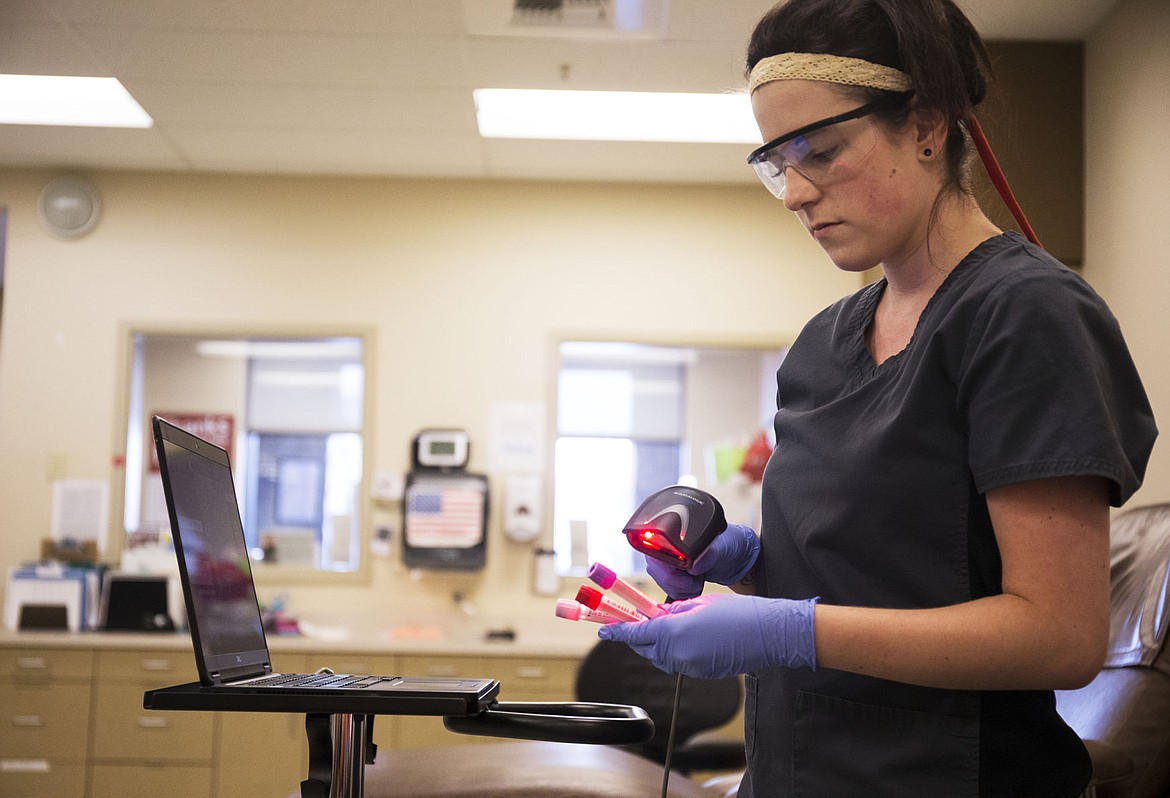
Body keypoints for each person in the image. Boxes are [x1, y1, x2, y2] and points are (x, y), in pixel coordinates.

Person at [598, 0, 1159, 795]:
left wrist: (790, 629)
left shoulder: (1023, 314)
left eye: (819, 152)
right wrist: (753, 569)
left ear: (927, 126)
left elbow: (1061, 638)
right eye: (774, 163)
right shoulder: (826, 341)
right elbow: (876, 582)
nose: (793, 192)